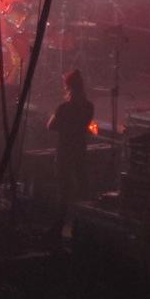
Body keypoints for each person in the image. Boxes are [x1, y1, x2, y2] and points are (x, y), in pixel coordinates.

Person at [46, 69, 94, 238]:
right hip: (80, 149)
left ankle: (58, 226)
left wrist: (59, 119)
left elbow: (50, 126)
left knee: (63, 190)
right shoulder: (89, 107)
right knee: (82, 186)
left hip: (65, 150)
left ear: (68, 87)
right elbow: (84, 125)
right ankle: (82, 226)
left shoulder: (64, 108)